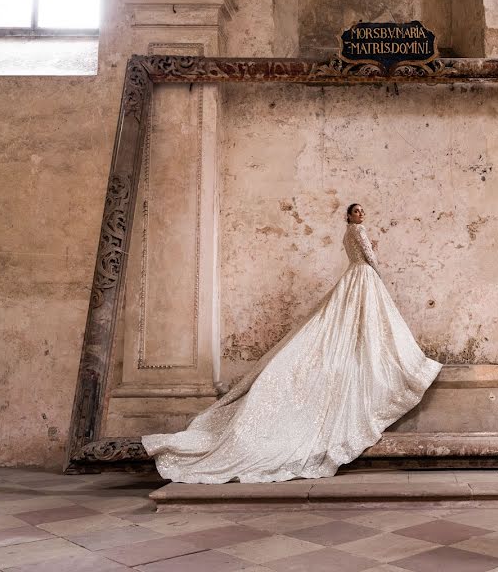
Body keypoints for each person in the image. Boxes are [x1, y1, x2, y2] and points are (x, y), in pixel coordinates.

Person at [142, 203, 442, 483]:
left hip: (351, 276)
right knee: (367, 324)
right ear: (349, 217)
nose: (361, 216)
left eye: (362, 212)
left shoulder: (345, 234)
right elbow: (369, 257)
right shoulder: (359, 233)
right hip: (363, 277)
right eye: (356, 212)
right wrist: (377, 273)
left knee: (348, 323)